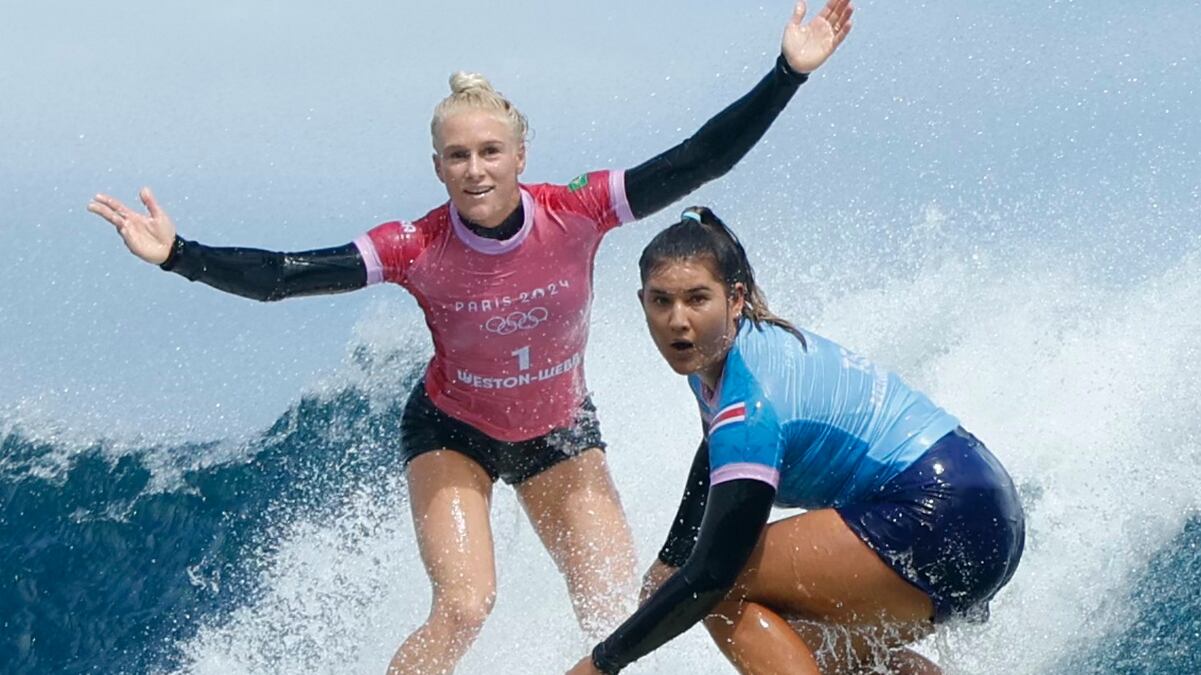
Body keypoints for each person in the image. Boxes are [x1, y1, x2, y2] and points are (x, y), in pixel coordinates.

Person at [87, 2, 853, 671]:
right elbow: (287, 275)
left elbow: (698, 160)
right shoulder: (414, 246)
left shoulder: (576, 210)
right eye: (458, 156)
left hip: (559, 431)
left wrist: (786, 73)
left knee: (617, 614)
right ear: (437, 167)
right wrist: (179, 255)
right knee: (464, 605)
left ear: (520, 155)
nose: (475, 169)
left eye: (490, 152)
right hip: (453, 429)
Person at [569, 207, 1025, 674]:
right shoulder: (724, 354)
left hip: (938, 509)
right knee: (820, 651)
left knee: (720, 593)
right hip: (984, 505)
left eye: (697, 299)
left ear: (735, 298)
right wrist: (671, 557)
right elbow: (715, 455)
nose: (678, 321)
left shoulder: (750, 403)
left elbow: (711, 572)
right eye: (661, 302)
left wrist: (603, 662)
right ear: (641, 301)